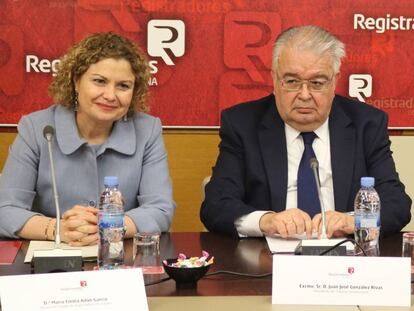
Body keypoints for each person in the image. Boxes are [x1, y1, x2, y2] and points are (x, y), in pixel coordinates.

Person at [200, 25, 411, 238]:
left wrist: (354, 220)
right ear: (274, 79)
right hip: (267, 259)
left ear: (334, 81)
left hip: (344, 255)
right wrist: (266, 220)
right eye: (292, 81)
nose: (304, 94)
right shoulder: (243, 124)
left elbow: (397, 205)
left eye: (317, 83)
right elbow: (216, 206)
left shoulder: (366, 124)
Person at [0, 32, 175, 245]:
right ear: (76, 80)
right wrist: (57, 229)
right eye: (99, 81)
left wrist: (108, 226)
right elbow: (5, 209)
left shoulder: (147, 130)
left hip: (118, 260)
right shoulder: (37, 128)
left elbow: (161, 209)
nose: (110, 95)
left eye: (123, 86)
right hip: (51, 261)